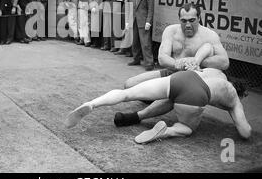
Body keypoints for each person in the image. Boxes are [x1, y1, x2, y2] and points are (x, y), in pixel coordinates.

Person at [65, 63, 252, 144]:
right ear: (240, 91)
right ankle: (168, 130)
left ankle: (92, 104)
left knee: (127, 93)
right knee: (186, 128)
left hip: (180, 79)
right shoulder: (233, 96)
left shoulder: (215, 71)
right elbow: (245, 132)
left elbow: (196, 71)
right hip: (197, 93)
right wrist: (231, 108)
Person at [115, 2, 230, 127]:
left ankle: (138, 116)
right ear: (179, 19)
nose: (187, 25)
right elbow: (162, 58)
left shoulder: (209, 35)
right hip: (172, 71)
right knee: (129, 84)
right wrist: (178, 64)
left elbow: (224, 62)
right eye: (183, 21)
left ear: (199, 18)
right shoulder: (171, 30)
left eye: (192, 20)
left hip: (192, 81)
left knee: (175, 92)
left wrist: (195, 61)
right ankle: (157, 95)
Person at [127, 0, 154, 70]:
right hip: (133, 20)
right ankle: (136, 59)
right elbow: (129, 8)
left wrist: (148, 22)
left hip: (143, 21)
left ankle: (149, 63)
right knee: (134, 42)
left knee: (145, 43)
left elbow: (151, 9)